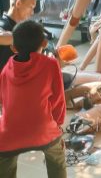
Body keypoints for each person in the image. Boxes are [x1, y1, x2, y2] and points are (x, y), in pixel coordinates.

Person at [0, 20, 66, 178]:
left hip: (9, 133)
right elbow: (58, 100)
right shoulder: (51, 64)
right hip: (44, 130)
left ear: (13, 48)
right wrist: (58, 125)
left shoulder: (7, 68)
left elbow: (3, 101)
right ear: (44, 43)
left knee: (3, 161)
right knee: (57, 159)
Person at [0, 0, 37, 72]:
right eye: (31, 7)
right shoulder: (2, 24)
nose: (32, 13)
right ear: (18, 3)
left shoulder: (23, 28)